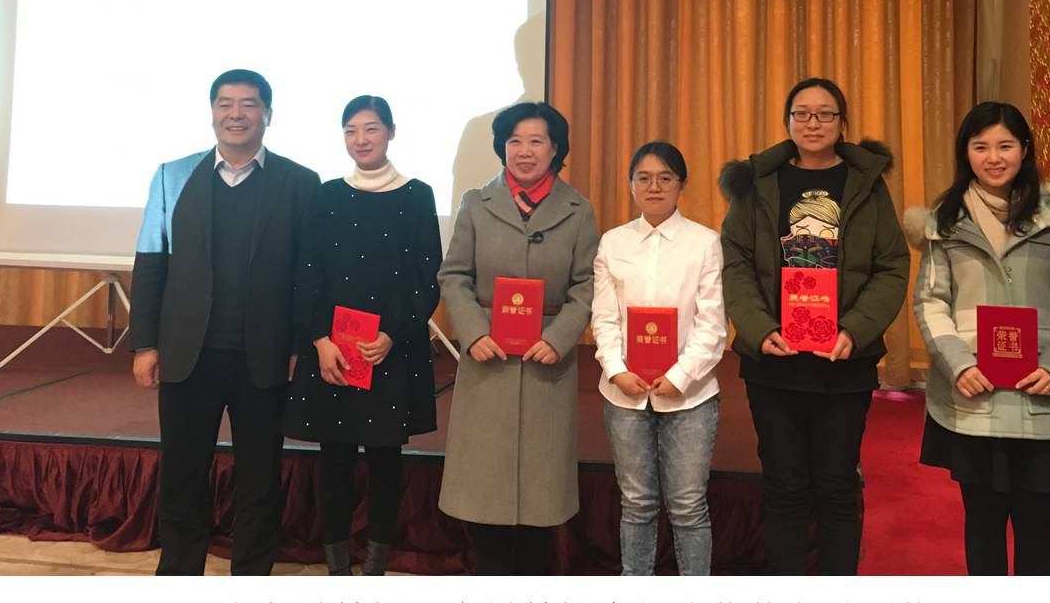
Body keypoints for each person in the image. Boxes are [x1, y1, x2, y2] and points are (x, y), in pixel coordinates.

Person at [130, 69, 320, 575]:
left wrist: (301, 345)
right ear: (212, 112)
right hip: (188, 354)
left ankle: (251, 575)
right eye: (225, 104)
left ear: (268, 115)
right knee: (183, 473)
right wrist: (145, 344)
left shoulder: (300, 183)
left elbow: (309, 274)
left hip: (265, 356)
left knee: (260, 476)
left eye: (249, 104)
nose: (236, 114)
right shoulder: (172, 176)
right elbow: (151, 261)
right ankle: (179, 571)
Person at [719, 77, 909, 574]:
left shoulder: (867, 184)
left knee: (837, 485)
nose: (813, 123)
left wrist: (855, 330)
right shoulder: (758, 182)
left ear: (843, 123)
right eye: (801, 113)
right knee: (783, 485)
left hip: (844, 362)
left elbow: (891, 265)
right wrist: (759, 328)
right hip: (773, 362)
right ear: (787, 122)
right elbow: (735, 261)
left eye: (826, 114)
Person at [906, 101, 1050, 575]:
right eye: (981, 147)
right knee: (983, 524)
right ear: (965, 153)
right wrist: (959, 364)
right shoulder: (944, 221)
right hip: (975, 396)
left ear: (1025, 150)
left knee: (1037, 526)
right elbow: (930, 301)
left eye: (1005, 146)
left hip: (1042, 395)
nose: (994, 158)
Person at [437, 101, 599, 574]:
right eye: (514, 141)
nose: (524, 151)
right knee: (484, 493)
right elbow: (454, 276)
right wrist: (473, 332)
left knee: (540, 499)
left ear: (555, 149)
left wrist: (559, 337)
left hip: (546, 361)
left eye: (536, 141)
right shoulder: (475, 203)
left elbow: (588, 284)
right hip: (487, 360)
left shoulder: (578, 209)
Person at [283, 95, 441, 576]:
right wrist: (319, 340)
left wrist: (393, 333)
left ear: (390, 132)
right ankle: (337, 564)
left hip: (389, 350)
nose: (361, 139)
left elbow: (426, 276)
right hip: (333, 351)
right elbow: (307, 271)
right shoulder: (326, 195)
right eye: (351, 130)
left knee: (384, 460)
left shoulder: (417, 195)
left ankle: (375, 563)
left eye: (371, 129)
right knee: (333, 458)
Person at [592, 141, 727, 575]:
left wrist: (680, 376)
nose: (654, 187)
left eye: (665, 178)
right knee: (636, 503)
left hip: (690, 396)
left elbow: (712, 324)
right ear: (631, 185)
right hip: (625, 394)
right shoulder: (613, 242)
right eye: (644, 178)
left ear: (681, 185)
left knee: (688, 506)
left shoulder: (704, 243)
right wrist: (617, 371)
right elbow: (604, 318)